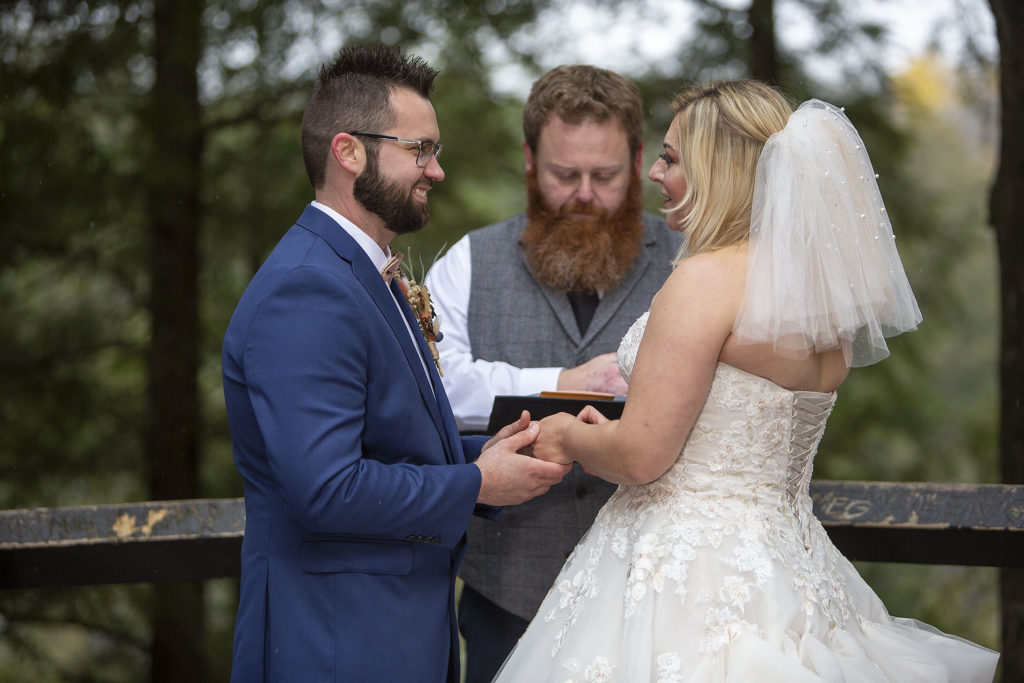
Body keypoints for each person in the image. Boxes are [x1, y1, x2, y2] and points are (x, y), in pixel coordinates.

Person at [494, 80, 1000, 681]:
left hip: (688, 579)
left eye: (672, 158)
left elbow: (641, 458)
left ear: (718, 169)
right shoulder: (817, 300)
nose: (655, 172)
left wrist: (568, 435)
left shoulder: (704, 282)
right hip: (795, 568)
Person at [220, 45, 571, 683]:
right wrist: (476, 484)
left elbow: (389, 447)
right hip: (335, 643)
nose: (435, 170)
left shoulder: (359, 271)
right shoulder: (307, 290)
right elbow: (326, 491)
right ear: (349, 151)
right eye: (421, 150)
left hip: (394, 634)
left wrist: (491, 454)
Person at [423, 64, 682, 680]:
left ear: (640, 159)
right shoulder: (467, 263)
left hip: (659, 600)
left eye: (607, 175)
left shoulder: (691, 262)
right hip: (506, 599)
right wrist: (561, 383)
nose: (586, 193)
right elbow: (430, 391)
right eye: (566, 174)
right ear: (530, 161)